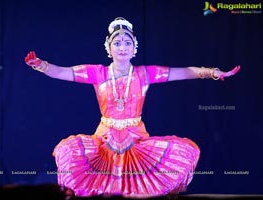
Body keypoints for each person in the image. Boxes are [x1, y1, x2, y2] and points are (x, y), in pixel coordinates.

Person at [24, 17, 240, 198]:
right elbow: (62, 72)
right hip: (104, 140)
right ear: (108, 48)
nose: (122, 47)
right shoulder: (97, 73)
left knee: (182, 154)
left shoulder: (145, 74)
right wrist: (41, 65)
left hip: (136, 138)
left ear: (134, 47)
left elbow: (183, 72)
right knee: (68, 153)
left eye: (127, 42)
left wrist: (211, 72)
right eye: (117, 43)